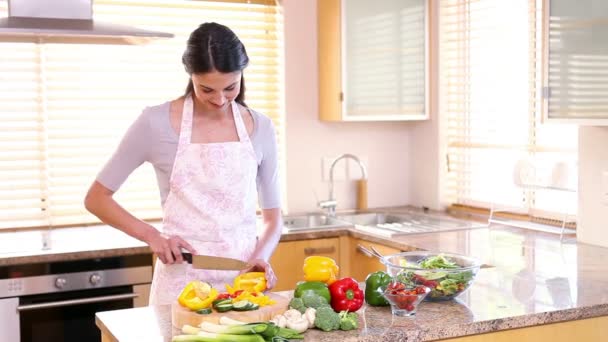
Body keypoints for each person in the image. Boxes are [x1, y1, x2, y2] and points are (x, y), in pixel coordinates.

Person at [84, 22, 283, 305]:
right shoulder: (154, 123)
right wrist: (153, 237)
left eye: (230, 88)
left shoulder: (260, 127)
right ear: (190, 76)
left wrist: (260, 257)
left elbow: (273, 219)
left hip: (242, 284)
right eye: (207, 89)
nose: (220, 100)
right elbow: (96, 199)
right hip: (180, 286)